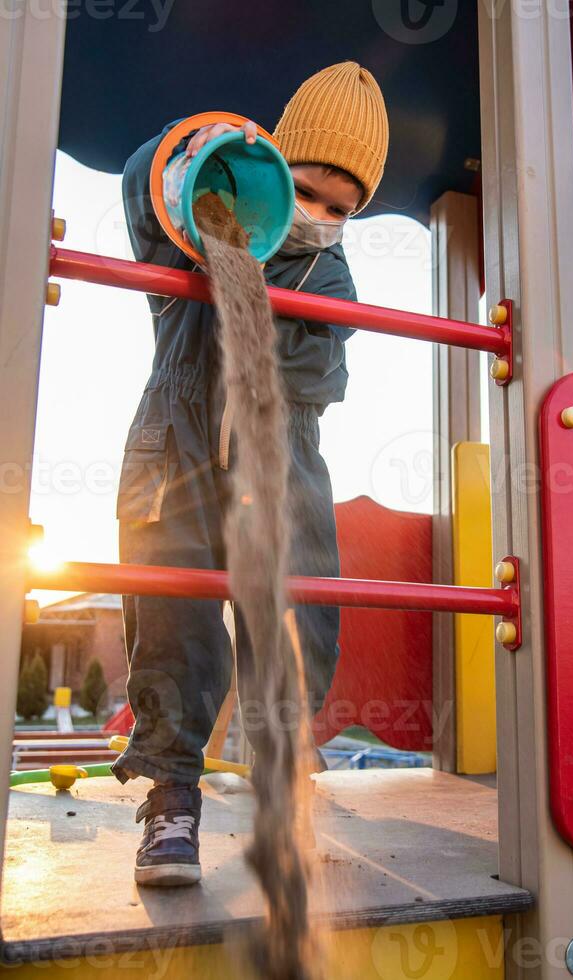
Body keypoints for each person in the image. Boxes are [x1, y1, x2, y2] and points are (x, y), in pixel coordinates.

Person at [112, 62, 389, 886]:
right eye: (306, 191)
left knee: (301, 615)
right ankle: (171, 800)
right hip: (177, 448)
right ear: (271, 164)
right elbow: (142, 185)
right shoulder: (200, 209)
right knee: (174, 616)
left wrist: (258, 274)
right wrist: (193, 156)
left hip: (283, 461)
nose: (321, 217)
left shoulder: (329, 276)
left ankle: (283, 786)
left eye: (343, 209)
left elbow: (315, 373)